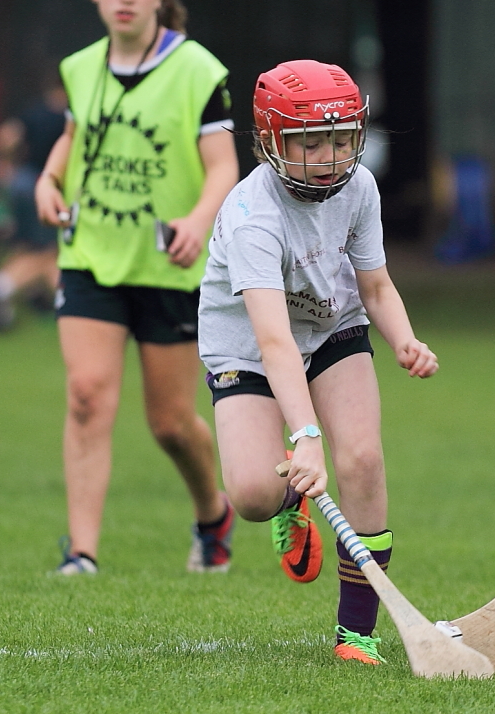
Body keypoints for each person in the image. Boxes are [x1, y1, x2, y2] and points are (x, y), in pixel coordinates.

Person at [198, 59, 438, 665]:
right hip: (250, 346)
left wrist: (404, 339)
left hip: (333, 325)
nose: (329, 155)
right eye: (310, 143)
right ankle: (289, 503)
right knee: (252, 494)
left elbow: (376, 286)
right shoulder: (255, 216)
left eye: (339, 139)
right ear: (272, 142)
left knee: (361, 458)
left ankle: (356, 633)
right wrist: (304, 437)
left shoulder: (360, 188)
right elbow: (274, 342)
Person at [33, 0, 240, 576]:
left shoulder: (198, 70)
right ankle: (83, 553)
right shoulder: (80, 67)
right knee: (87, 394)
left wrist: (200, 221)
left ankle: (213, 513)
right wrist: (45, 181)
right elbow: (72, 142)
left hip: (168, 264)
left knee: (172, 423)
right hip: (91, 253)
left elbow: (222, 169)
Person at [0, 68, 67, 330]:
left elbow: (4, 136)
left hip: (23, 183)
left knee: (34, 248)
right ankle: (0, 287)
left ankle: (64, 304)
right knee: (44, 250)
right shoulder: (70, 118)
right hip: (47, 189)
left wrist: (6, 164)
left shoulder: (34, 112)